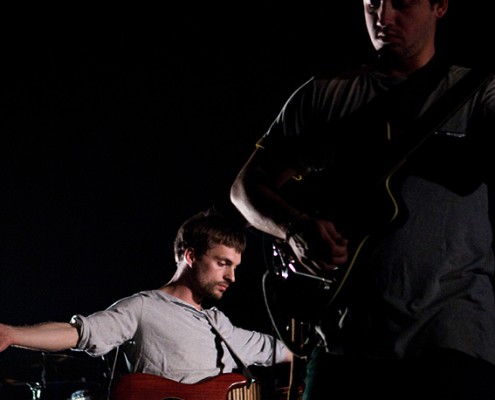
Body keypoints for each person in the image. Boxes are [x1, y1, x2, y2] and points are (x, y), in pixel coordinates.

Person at [230, 0, 495, 399]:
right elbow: (244, 189)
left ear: (440, 5)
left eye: (402, 3)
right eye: (373, 3)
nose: (384, 18)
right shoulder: (323, 96)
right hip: (343, 339)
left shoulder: (481, 94)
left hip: (450, 337)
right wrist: (295, 229)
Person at [0, 209, 292, 396]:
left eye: (235, 267)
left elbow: (274, 350)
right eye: (222, 263)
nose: (231, 277)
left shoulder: (219, 324)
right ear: (190, 256)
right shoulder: (144, 308)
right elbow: (80, 332)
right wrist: (12, 334)